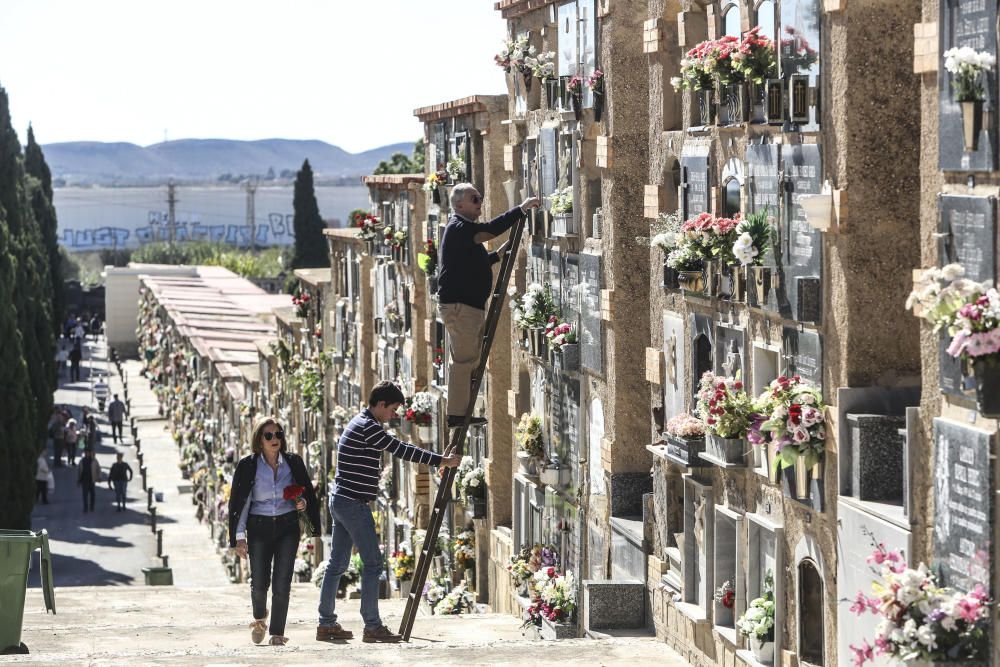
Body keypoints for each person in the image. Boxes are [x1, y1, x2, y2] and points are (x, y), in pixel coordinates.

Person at [316, 381, 460, 644]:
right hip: (353, 503)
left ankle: (326, 623)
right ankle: (372, 626)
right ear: (380, 404)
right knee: (372, 564)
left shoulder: (360, 423)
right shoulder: (368, 427)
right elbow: (401, 450)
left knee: (336, 564)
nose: (394, 415)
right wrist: (442, 460)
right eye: (392, 409)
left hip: (341, 500)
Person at [437, 183, 540, 427]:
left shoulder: (462, 230)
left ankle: (459, 411)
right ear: (459, 203)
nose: (480, 202)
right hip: (461, 308)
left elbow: (473, 262)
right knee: (463, 362)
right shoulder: (459, 227)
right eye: (475, 198)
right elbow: (490, 230)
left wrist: (497, 256)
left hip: (466, 307)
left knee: (468, 359)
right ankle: (456, 415)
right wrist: (521, 209)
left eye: (480, 197)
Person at [228, 417, 321, 647]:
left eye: (278, 434)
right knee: (259, 581)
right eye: (269, 435)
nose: (274, 439)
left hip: (287, 526)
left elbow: (306, 493)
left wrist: (302, 504)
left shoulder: (293, 462)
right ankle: (260, 618)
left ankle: (278, 632)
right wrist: (239, 538)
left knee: (282, 581)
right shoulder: (248, 466)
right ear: (259, 440)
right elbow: (241, 503)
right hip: (258, 527)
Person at [77, 448, 100, 512]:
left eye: (88, 453)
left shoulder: (94, 461)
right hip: (84, 480)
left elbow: (98, 469)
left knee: (92, 494)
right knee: (85, 495)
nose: (87, 454)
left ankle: (92, 506)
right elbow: (79, 471)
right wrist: (78, 480)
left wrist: (99, 477)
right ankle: (85, 507)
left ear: (90, 453)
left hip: (92, 480)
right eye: (86, 453)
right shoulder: (82, 461)